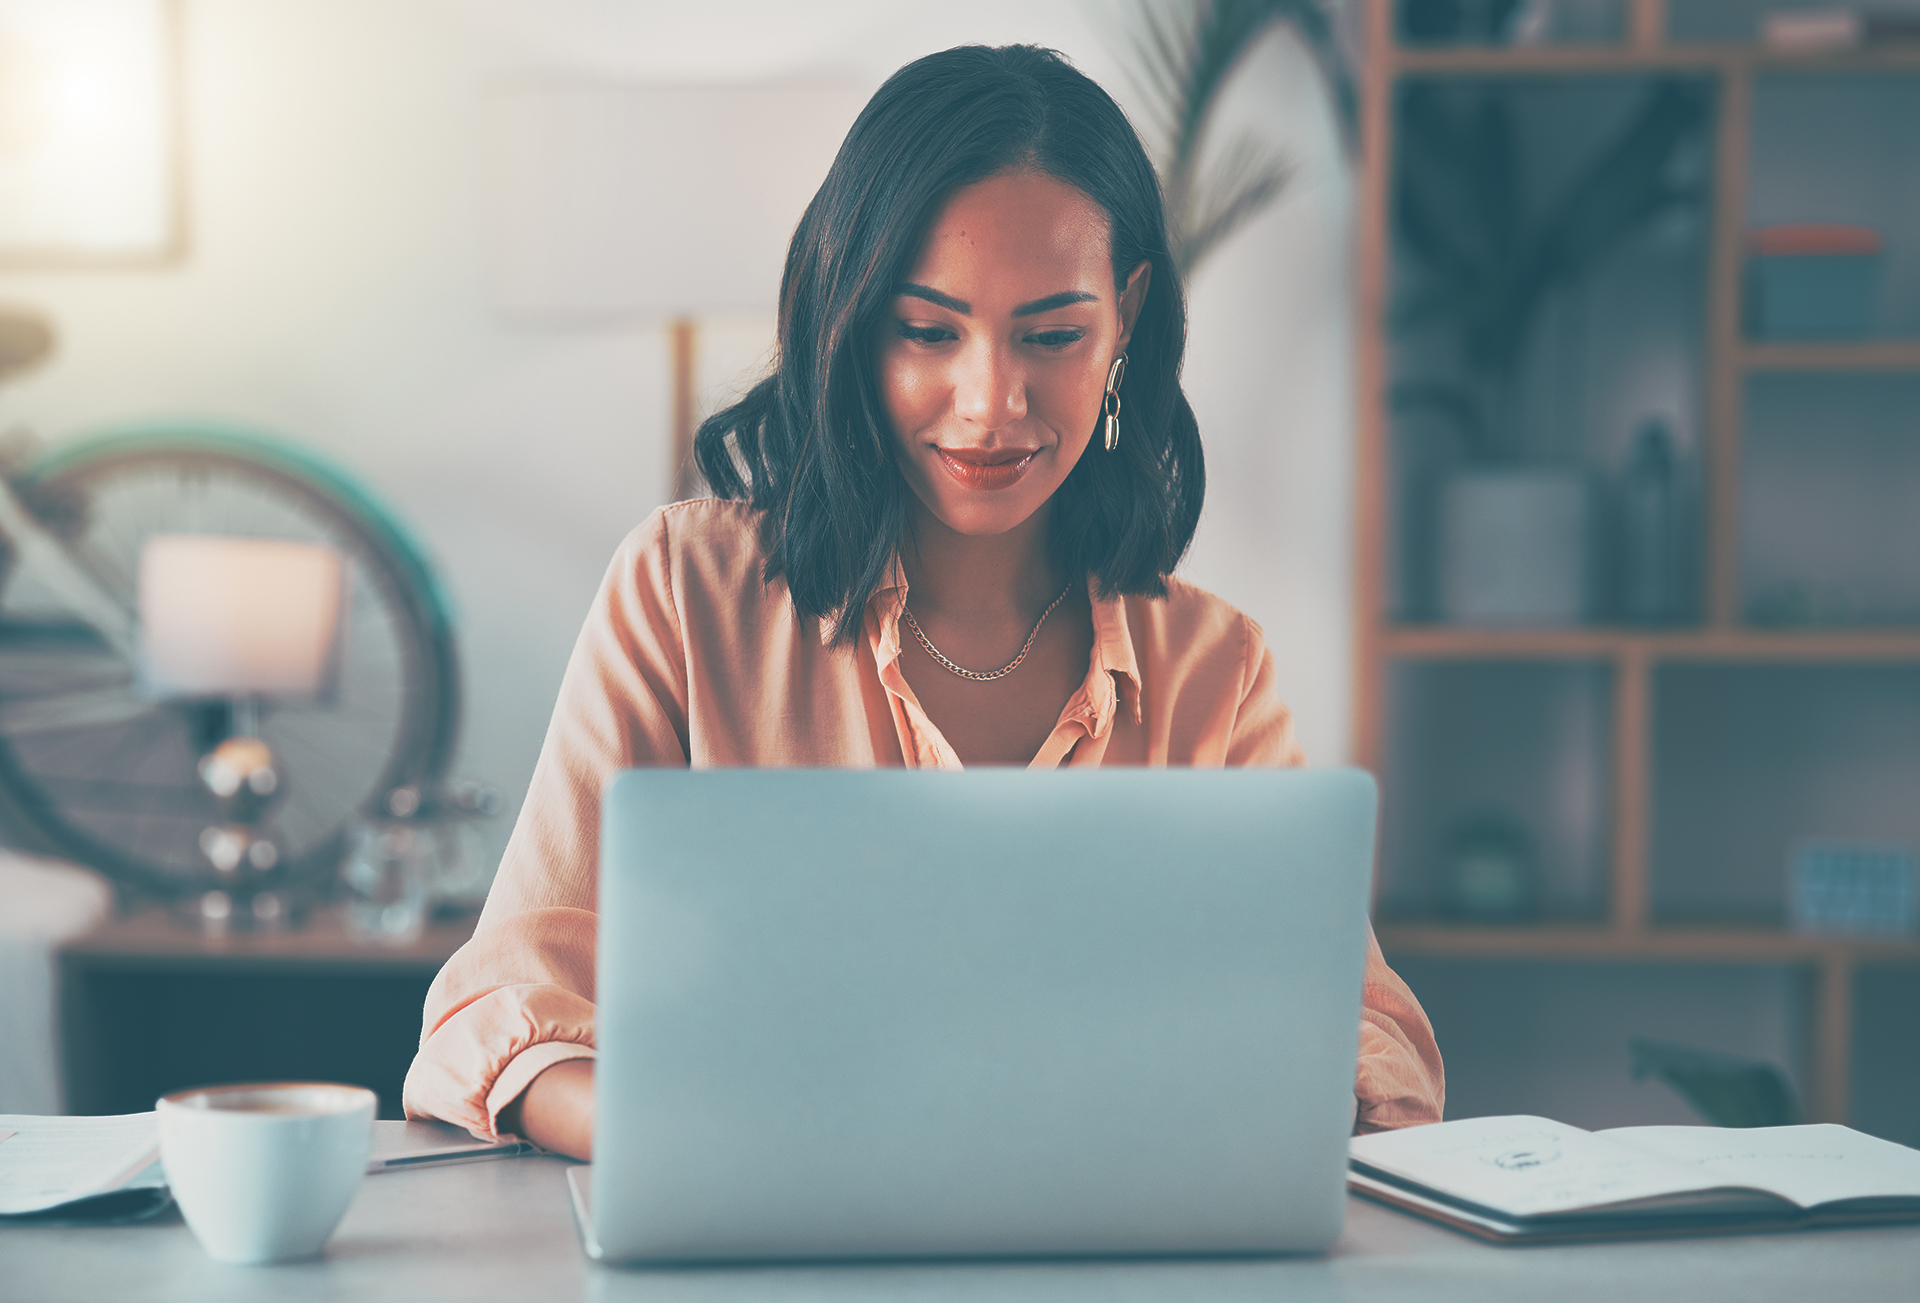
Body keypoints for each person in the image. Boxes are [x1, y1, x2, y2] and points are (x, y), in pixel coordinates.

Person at [403, 44, 1443, 1161]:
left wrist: (1211, 1112)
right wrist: (702, 1144)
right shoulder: (683, 594)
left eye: (1053, 335)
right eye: (928, 331)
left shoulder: (1213, 670)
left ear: (1126, 320)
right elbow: (497, 1012)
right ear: (852, 324)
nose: (991, 403)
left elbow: (1370, 1042)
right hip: (755, 1219)